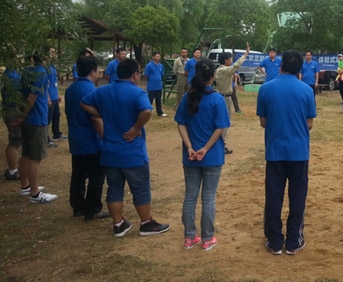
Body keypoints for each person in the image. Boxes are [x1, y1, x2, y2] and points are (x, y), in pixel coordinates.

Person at [81, 58, 170, 238]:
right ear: (135, 74)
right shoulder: (137, 93)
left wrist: (102, 115)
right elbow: (147, 111)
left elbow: (84, 103)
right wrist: (136, 128)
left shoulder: (103, 91)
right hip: (132, 152)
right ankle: (146, 223)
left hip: (110, 152)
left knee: (114, 188)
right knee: (140, 189)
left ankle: (118, 224)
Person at [257, 50, 316, 255]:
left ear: (281, 66)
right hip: (299, 152)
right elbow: (309, 123)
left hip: (275, 150)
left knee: (274, 195)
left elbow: (263, 121)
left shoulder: (266, 88)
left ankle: (274, 241)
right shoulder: (306, 90)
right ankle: (293, 240)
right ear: (300, 68)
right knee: (297, 196)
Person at [175, 57, 230, 251]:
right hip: (212, 156)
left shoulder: (187, 97)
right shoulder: (217, 99)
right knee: (208, 198)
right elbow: (220, 128)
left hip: (190, 157)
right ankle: (207, 238)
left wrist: (190, 147)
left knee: (190, 196)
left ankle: (189, 237)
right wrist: (205, 149)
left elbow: (181, 123)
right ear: (213, 76)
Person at [65, 55, 109, 220]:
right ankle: (93, 209)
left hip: (76, 138)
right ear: (93, 71)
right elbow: (96, 118)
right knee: (97, 174)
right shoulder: (91, 91)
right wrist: (105, 138)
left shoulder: (70, 89)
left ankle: (78, 206)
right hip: (90, 140)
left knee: (78, 174)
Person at [13, 53, 58, 203]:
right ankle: (35, 194)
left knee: (26, 154)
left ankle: (25, 186)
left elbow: (20, 93)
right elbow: (31, 97)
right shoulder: (41, 73)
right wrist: (23, 115)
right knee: (36, 157)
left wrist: (21, 114)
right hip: (36, 119)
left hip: (28, 119)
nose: (54, 55)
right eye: (51, 53)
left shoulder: (26, 71)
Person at [214, 43, 250, 154]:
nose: (231, 61)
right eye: (230, 59)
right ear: (226, 60)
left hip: (222, 97)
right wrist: (245, 54)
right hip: (224, 98)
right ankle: (220, 145)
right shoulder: (224, 70)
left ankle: (219, 144)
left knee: (221, 121)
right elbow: (235, 66)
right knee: (224, 122)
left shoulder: (221, 70)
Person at [2, 68, 22, 180]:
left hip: (11, 109)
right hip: (13, 110)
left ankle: (13, 167)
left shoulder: (10, 74)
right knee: (15, 141)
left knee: (15, 141)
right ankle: (13, 170)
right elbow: (18, 97)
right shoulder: (12, 77)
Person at [47, 47, 66, 143]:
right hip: (49, 97)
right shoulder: (45, 68)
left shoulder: (53, 66)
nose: (54, 54)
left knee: (56, 115)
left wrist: (57, 95)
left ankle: (57, 134)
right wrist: (48, 98)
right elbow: (45, 84)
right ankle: (45, 138)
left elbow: (54, 82)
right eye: (52, 52)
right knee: (48, 118)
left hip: (54, 96)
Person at [144, 51, 167, 117]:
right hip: (151, 87)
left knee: (158, 100)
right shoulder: (149, 65)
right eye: (156, 56)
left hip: (159, 86)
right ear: (153, 57)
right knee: (150, 100)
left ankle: (160, 112)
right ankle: (147, 111)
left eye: (159, 56)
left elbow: (162, 74)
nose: (158, 57)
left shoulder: (161, 66)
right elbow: (146, 75)